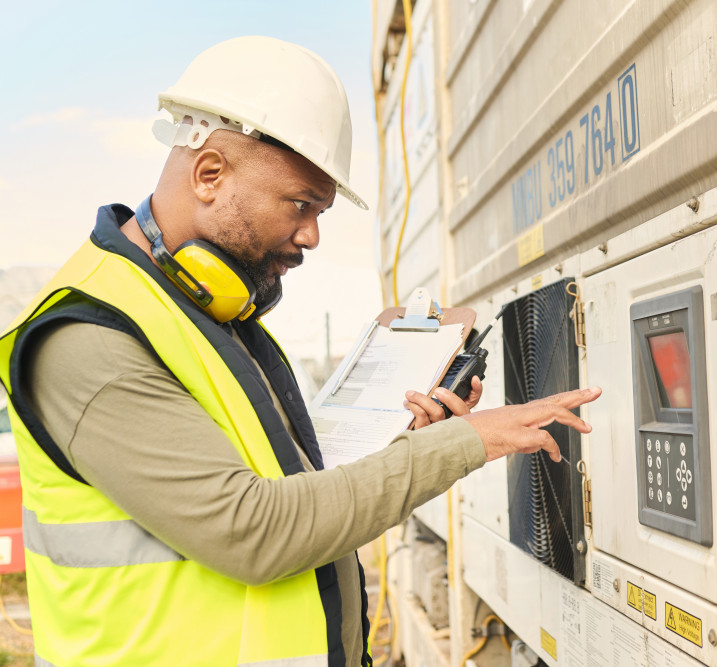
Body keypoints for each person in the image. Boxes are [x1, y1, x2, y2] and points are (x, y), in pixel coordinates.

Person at [0, 36, 600, 667]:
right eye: (300, 204)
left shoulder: (210, 313)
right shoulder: (90, 338)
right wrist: (468, 442)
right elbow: (253, 531)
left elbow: (294, 490)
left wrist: (404, 441)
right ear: (210, 175)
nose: (312, 234)